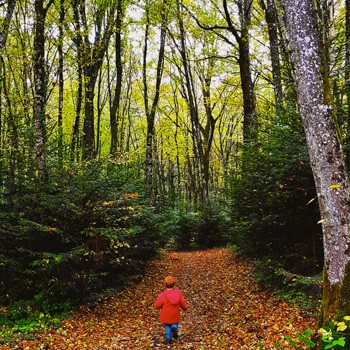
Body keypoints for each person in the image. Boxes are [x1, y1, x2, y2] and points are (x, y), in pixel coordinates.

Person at [154, 275, 188, 344]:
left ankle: (168, 340)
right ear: (174, 284)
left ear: (165, 285)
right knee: (175, 323)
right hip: (175, 315)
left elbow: (157, 306)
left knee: (167, 327)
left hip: (166, 315)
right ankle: (174, 327)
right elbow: (183, 303)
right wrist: (185, 308)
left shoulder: (163, 295)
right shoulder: (178, 293)